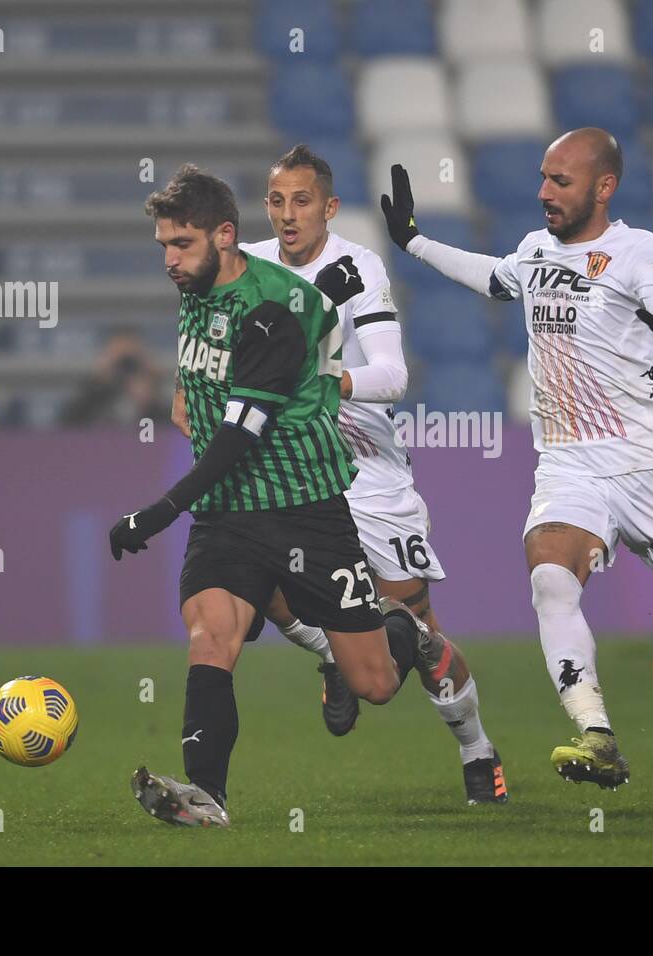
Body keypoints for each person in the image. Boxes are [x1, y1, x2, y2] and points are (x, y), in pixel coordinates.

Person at [381, 127, 653, 792]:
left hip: (649, 469)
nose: (543, 192)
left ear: (603, 187)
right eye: (543, 177)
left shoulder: (636, 249)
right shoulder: (537, 250)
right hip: (569, 464)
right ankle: (596, 734)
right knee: (549, 579)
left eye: (559, 181)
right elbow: (495, 278)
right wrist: (415, 243)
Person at [174, 144, 507, 805]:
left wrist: (312, 378)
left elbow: (392, 376)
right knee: (253, 581)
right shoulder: (249, 266)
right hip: (286, 473)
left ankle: (477, 748)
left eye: (302, 201)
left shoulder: (356, 266)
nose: (289, 214)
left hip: (367, 472)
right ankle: (331, 648)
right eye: (277, 201)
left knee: (417, 634)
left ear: (327, 207)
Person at [109, 163, 433, 827]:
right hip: (228, 516)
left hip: (306, 511)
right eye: (164, 246)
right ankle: (209, 798)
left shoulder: (270, 309)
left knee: (374, 683)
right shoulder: (197, 288)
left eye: (182, 245)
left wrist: (158, 511)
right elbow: (201, 397)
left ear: (225, 236)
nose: (169, 260)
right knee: (209, 636)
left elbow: (238, 435)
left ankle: (406, 630)